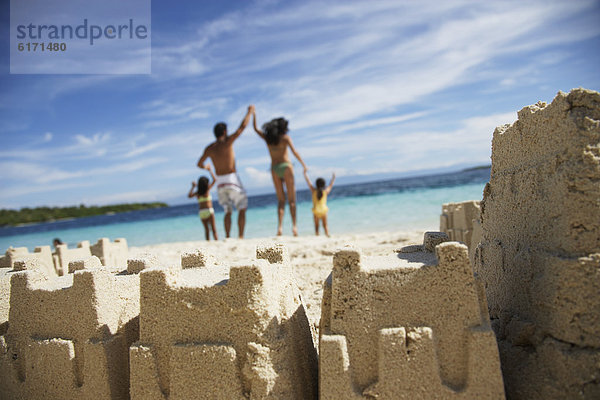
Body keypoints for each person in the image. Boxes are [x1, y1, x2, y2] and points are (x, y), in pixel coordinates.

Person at [197, 105, 254, 238]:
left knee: (227, 211)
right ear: (224, 132)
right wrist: (249, 112)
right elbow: (242, 128)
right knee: (242, 208)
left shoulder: (210, 148)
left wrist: (207, 168)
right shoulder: (227, 142)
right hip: (232, 179)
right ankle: (240, 236)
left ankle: (228, 236)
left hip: (220, 183)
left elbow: (199, 163)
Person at [252, 112, 307, 236]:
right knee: (292, 200)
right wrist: (303, 165)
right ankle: (294, 227)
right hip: (286, 166)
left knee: (281, 200)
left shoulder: (268, 138)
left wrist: (253, 114)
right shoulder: (285, 138)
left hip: (274, 168)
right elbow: (295, 152)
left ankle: (280, 228)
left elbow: (255, 129)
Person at [188, 165, 218, 241]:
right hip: (209, 210)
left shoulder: (198, 193)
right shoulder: (207, 190)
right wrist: (210, 171)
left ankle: (208, 242)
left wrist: (193, 187)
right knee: (213, 229)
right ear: (206, 184)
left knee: (207, 230)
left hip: (201, 212)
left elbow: (189, 196)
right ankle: (216, 242)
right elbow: (214, 180)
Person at [303, 171, 336, 237]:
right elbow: (331, 184)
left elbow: (308, 182)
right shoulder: (325, 191)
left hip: (316, 210)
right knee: (325, 224)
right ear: (324, 184)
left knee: (316, 225)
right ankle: (327, 234)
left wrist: (305, 174)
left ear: (316, 184)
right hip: (324, 210)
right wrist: (333, 177)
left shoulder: (313, 190)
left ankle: (317, 234)